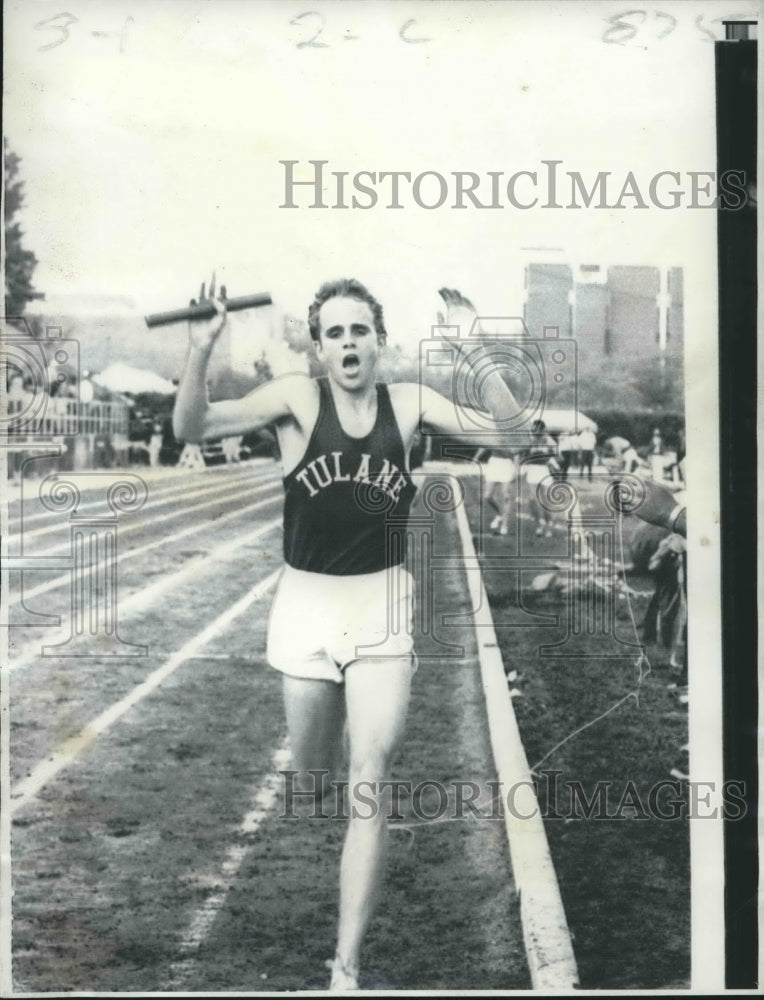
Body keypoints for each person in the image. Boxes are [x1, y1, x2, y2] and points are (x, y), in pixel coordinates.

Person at [173, 277, 521, 990]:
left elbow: (515, 432)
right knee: (314, 785)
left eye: (360, 330)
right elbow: (193, 429)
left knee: (372, 779)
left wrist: (475, 350)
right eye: (334, 333)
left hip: (382, 603)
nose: (348, 343)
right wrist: (204, 348)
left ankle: (346, 968)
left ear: (380, 340)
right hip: (305, 605)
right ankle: (321, 797)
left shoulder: (410, 403)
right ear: (318, 346)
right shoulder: (300, 400)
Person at [520, 418, 558, 537]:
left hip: (544, 470)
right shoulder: (529, 441)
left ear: (542, 429)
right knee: (533, 499)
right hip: (532, 470)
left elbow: (558, 457)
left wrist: (551, 461)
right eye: (532, 430)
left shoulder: (549, 441)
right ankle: (539, 523)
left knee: (546, 500)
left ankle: (549, 523)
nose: (534, 432)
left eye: (536, 430)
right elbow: (523, 456)